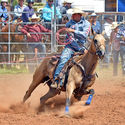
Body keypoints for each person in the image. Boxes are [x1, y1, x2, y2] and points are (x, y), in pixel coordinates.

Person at [51, 8, 91, 88]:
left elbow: (85, 35)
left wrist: (73, 31)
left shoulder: (86, 24)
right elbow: (69, 37)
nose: (72, 16)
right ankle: (56, 80)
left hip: (82, 46)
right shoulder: (69, 23)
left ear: (79, 15)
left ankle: (89, 79)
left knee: (90, 61)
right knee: (63, 59)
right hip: (71, 47)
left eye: (74, 14)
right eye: (72, 14)